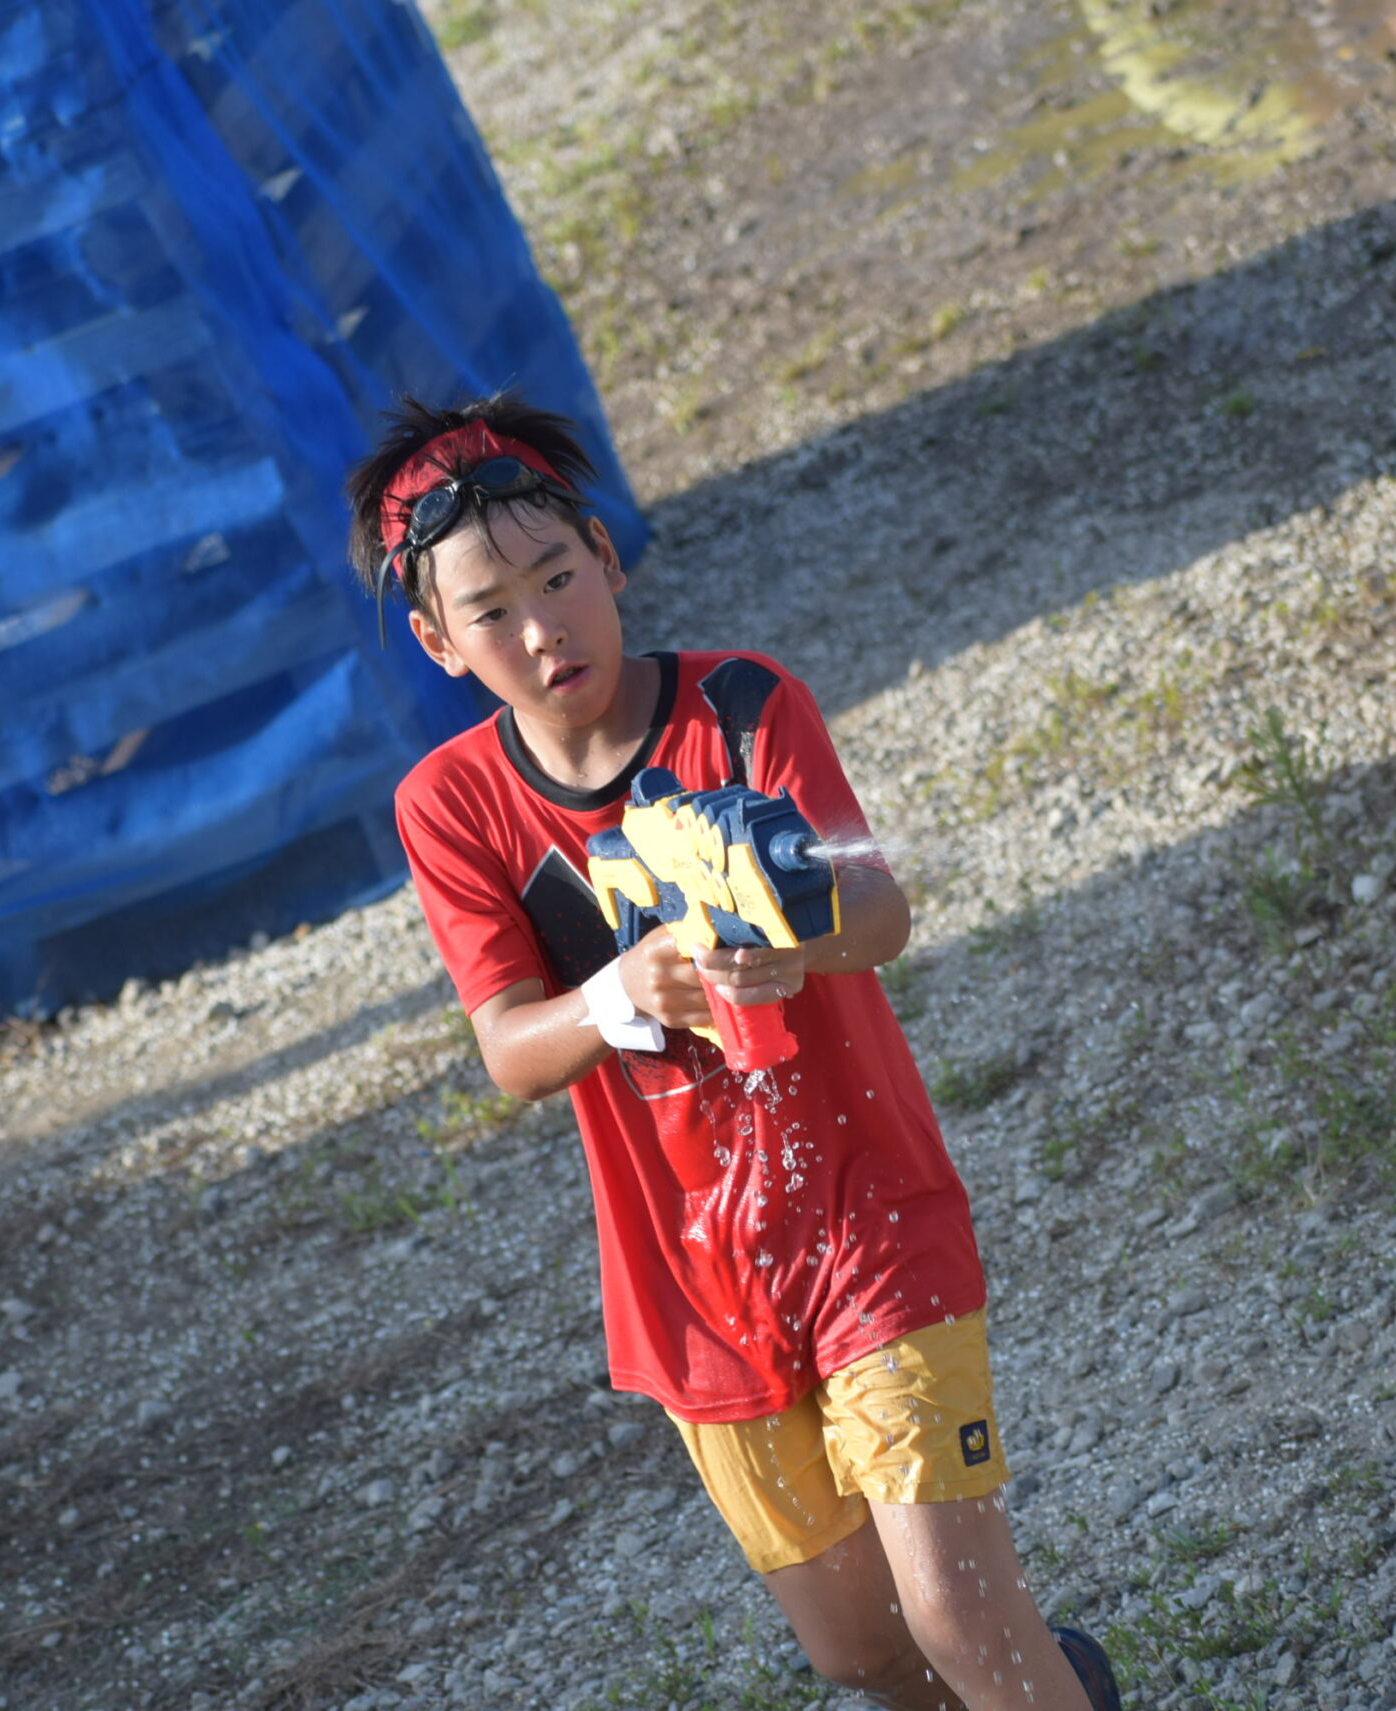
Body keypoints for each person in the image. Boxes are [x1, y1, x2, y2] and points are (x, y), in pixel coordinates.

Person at [351, 392, 1123, 1711]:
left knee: (959, 1619)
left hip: (868, 1218)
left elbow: (881, 910)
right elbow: (510, 1051)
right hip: (691, 1280)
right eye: (492, 611)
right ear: (439, 643)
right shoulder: (452, 807)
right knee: (859, 1651)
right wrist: (618, 992)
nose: (542, 629)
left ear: (607, 555)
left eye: (557, 576)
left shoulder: (745, 707)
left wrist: (798, 934)